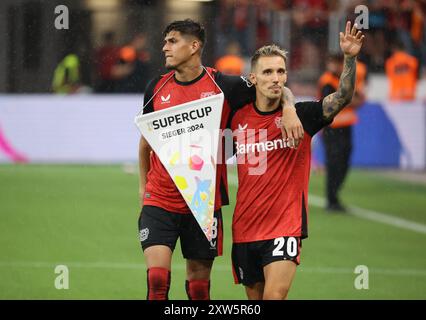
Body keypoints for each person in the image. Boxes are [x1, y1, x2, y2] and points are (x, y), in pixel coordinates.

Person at [137, 19, 303, 300]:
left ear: (194, 46)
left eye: (172, 41)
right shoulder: (157, 87)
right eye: (166, 41)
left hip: (203, 203)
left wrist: (289, 108)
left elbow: (271, 85)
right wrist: (144, 187)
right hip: (160, 200)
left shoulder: (224, 85)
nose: (165, 47)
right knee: (156, 280)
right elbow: (145, 143)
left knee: (200, 287)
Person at [230, 21, 364, 299]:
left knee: (274, 296)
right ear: (253, 78)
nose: (275, 78)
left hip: (284, 227)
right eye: (267, 72)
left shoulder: (303, 115)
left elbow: (343, 97)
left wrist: (349, 58)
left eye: (280, 71)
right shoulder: (236, 118)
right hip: (244, 228)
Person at [318, 55, 367, 212]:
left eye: (338, 63)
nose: (335, 66)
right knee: (334, 164)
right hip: (331, 128)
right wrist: (349, 100)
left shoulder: (346, 80)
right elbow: (333, 102)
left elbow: (358, 99)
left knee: (344, 163)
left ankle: (335, 194)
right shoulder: (327, 80)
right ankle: (331, 199)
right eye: (333, 63)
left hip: (345, 126)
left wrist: (349, 100)